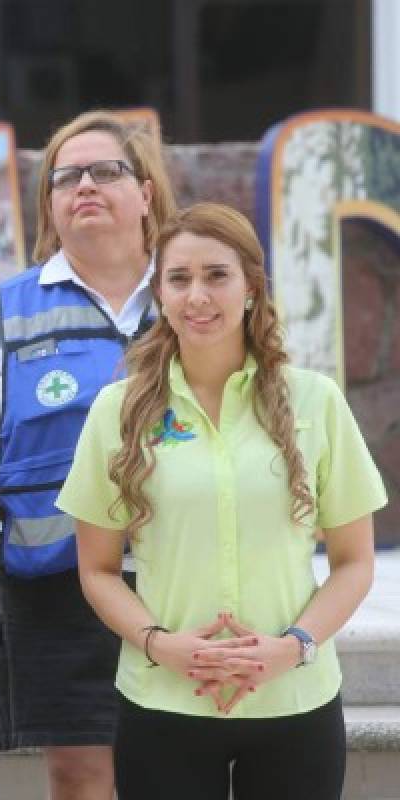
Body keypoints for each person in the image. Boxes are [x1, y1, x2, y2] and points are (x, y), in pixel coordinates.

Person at [56, 202, 384, 799]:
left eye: (217, 275)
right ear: (159, 292)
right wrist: (162, 646)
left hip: (295, 700)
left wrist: (295, 647)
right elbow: (97, 570)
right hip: (162, 701)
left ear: (252, 288)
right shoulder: (118, 411)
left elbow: (355, 562)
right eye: (179, 279)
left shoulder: (318, 402)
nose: (197, 296)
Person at [0, 110, 176, 799]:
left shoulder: (194, 293)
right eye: (66, 177)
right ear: (49, 202)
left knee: (180, 767)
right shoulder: (4, 315)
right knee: (80, 777)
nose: (86, 187)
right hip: (56, 588)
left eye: (107, 171)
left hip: (188, 578)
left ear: (146, 193)